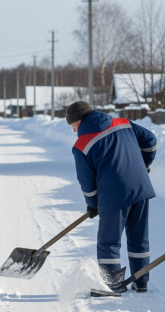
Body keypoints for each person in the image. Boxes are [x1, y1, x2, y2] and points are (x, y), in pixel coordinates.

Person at [66, 101, 158, 293]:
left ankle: (112, 284)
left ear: (79, 120)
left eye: (73, 125)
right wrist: (143, 164)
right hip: (140, 186)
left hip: (114, 193)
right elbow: (150, 141)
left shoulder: (81, 144)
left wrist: (93, 204)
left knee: (108, 241)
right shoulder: (123, 123)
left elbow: (87, 182)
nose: (74, 130)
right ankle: (140, 281)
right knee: (139, 236)